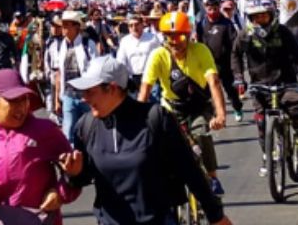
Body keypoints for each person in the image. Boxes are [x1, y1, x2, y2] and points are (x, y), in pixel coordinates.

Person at [59, 57, 231, 225]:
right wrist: (73, 174)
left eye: (90, 91)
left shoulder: (155, 119)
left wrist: (216, 216)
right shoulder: (86, 127)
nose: (84, 98)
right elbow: (84, 177)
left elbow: (189, 170)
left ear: (112, 88)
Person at [0, 69, 80, 224]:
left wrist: (60, 193)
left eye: (24, 99)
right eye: (13, 100)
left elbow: (76, 173)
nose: (21, 107)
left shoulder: (46, 131)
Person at [139, 12, 228, 195]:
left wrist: (220, 115)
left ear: (188, 35)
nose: (174, 42)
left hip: (198, 107)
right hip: (171, 109)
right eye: (168, 37)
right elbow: (145, 89)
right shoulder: (158, 55)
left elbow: (214, 82)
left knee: (202, 135)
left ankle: (212, 177)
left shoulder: (200, 50)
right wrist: (136, 119)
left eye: (178, 36)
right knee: (157, 145)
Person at [231, 0, 298, 177]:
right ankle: (266, 155)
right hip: (259, 84)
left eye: (263, 15)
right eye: (256, 16)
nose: (260, 19)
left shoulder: (283, 32)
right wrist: (239, 78)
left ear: (271, 15)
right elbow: (236, 56)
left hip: (286, 82)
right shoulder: (245, 34)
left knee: (296, 110)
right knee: (261, 122)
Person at [48, 10, 95, 142]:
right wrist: (57, 99)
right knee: (68, 133)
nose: (63, 29)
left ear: (76, 27)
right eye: (62, 25)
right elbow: (59, 74)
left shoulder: (87, 44)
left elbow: (95, 71)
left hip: (86, 96)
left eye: (67, 25)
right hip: (68, 95)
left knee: (89, 130)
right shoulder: (60, 46)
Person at [202, 0, 244, 121]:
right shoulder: (202, 24)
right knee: (210, 91)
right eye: (210, 9)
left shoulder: (227, 24)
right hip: (208, 64)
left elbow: (234, 45)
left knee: (230, 90)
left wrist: (235, 63)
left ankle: (237, 107)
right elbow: (198, 42)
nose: (212, 11)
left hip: (225, 63)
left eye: (215, 8)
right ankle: (216, 114)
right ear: (205, 9)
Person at [115, 12, 161, 98]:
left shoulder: (153, 38)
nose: (134, 28)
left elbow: (159, 58)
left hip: (151, 78)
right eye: (131, 25)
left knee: (153, 104)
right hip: (133, 78)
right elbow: (121, 61)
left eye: (136, 24)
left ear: (142, 25)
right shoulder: (125, 41)